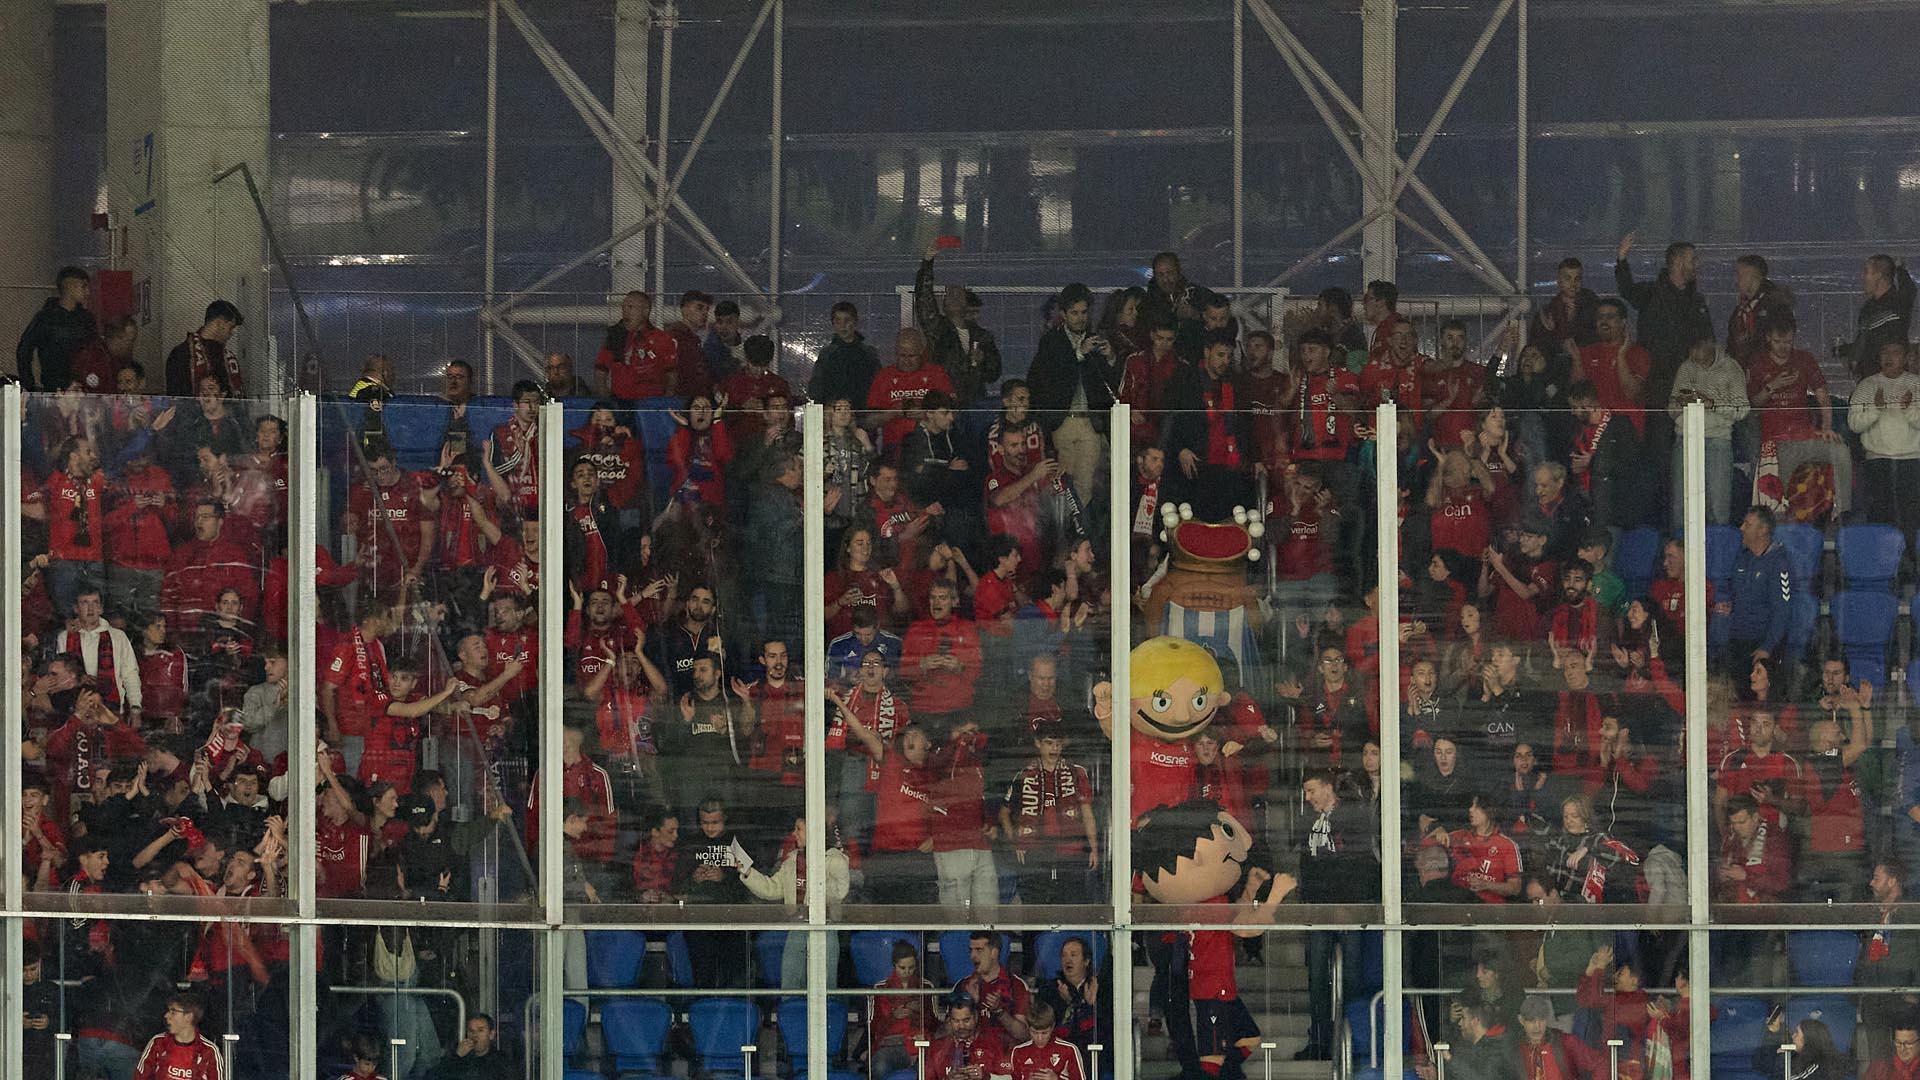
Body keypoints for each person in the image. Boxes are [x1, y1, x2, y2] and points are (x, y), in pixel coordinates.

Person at [1297, 768, 1379, 1061]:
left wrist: (1349, 904)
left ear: (1328, 788)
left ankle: (1354, 1045)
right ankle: (1319, 1041)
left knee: (1353, 978)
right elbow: (1306, 864)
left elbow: (1360, 864)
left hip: (1347, 909)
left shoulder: (1353, 816)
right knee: (1317, 977)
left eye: (1312, 790)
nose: (1308, 798)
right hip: (1318, 910)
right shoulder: (1309, 820)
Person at [1748, 311, 1851, 518]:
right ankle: (1778, 526)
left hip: (1805, 436)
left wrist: (1827, 428)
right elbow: (1752, 405)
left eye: (1788, 341)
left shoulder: (1804, 359)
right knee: (1778, 496)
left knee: (1840, 452)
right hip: (1776, 441)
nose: (1783, 346)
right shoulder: (1758, 363)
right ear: (1768, 338)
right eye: (1778, 341)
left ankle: (1842, 513)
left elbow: (1823, 397)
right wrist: (1772, 387)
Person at [1028, 283, 1122, 506]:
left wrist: (1110, 358)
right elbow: (1044, 381)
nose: (1080, 318)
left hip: (1090, 423)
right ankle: (1069, 533)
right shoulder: (1051, 341)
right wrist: (1079, 354)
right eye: (1074, 313)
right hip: (1063, 422)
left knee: (1087, 484)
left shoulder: (1095, 340)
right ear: (1063, 314)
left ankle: (1083, 534)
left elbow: (1109, 384)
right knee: (1063, 483)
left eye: (1084, 312)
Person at [1613, 233, 1714, 419]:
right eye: (1692, 259)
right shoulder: (1651, 293)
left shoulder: (1697, 301)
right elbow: (1627, 289)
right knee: (1659, 436)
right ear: (1677, 261)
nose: (1696, 265)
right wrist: (1621, 259)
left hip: (1690, 381)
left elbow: (1708, 338)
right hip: (1657, 382)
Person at [1667, 338, 1751, 527]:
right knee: (1680, 506)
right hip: (1685, 438)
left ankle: (1716, 551)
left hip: (1718, 440)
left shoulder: (1731, 368)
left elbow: (1742, 409)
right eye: (1691, 349)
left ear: (1710, 344)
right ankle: (1682, 552)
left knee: (1717, 506)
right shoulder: (1686, 368)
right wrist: (1682, 404)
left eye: (1698, 348)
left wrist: (1712, 404)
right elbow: (1670, 410)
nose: (1694, 354)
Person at [915, 242, 1003, 409]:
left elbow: (994, 374)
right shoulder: (937, 330)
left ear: (966, 305)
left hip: (975, 405)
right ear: (943, 304)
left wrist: (984, 359)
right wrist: (927, 262)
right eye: (949, 294)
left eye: (958, 294)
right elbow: (923, 298)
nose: (954, 296)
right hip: (943, 405)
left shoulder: (982, 337)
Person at [1850, 340, 1920, 533]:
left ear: (1906, 358)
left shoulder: (1916, 384)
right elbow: (1854, 424)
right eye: (1884, 352)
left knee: (1912, 516)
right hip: (1878, 461)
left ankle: (1912, 561)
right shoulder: (1867, 385)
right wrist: (1876, 409)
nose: (1889, 357)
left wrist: (1908, 409)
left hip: (1912, 461)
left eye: (1895, 352)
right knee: (1880, 516)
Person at [1717, 506, 1792, 677]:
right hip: (1737, 641)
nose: (1741, 528)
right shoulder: (1742, 559)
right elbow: (1734, 594)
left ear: (1763, 530)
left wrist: (1767, 647)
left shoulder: (1779, 564)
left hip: (1761, 645)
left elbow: (1783, 610)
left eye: (1748, 524)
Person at [1858, 862, 1920, 1065]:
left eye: (1877, 878)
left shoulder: (1913, 911)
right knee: (1879, 1063)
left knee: (1907, 1061)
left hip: (1903, 997)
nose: (1871, 883)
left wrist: (1914, 991)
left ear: (1892, 881)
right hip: (1874, 999)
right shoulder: (1872, 913)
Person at [15, 265, 94, 392]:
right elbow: (24, 350)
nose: (88, 292)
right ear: (70, 287)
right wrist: (29, 384)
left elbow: (95, 351)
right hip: (53, 386)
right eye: (83, 286)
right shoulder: (45, 318)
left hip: (83, 386)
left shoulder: (86, 319)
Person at [1840, 253, 1917, 379]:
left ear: (1879, 275)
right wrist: (1845, 351)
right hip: (1868, 378)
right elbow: (1866, 340)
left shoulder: (1897, 303)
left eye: (1866, 272)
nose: (1862, 277)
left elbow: (1909, 290)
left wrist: (1900, 269)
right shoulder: (1867, 309)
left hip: (1892, 379)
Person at [596, 289, 679, 402]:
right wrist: (607, 403)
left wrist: (665, 403)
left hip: (652, 404)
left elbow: (671, 375)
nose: (625, 311)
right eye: (623, 307)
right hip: (621, 404)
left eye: (630, 307)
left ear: (645, 311)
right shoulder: (615, 336)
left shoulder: (662, 339)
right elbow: (600, 372)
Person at [165, 299, 245, 398]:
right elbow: (176, 398)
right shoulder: (181, 354)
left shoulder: (228, 358)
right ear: (219, 323)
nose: (232, 333)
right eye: (231, 327)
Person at [133, 993, 223, 1080]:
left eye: (173, 1012)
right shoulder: (158, 1043)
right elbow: (140, 1077)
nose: (166, 1015)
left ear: (188, 1017)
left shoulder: (209, 1051)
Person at [809, 300, 881, 409]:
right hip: (835, 415)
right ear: (833, 324)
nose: (843, 326)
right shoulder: (827, 354)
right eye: (838, 321)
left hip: (863, 412)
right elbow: (817, 387)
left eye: (847, 320)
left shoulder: (868, 353)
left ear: (855, 322)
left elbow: (878, 384)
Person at [1528, 257, 1599, 358]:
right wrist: (1555, 336)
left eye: (1577, 279)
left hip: (1588, 365)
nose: (1573, 284)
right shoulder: (1547, 313)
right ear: (1559, 280)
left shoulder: (1593, 307)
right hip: (1556, 369)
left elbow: (1601, 337)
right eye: (1568, 278)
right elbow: (1536, 347)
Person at [1756, 1015, 1846, 1080]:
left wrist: (1783, 1059)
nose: (1793, 1036)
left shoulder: (1820, 1066)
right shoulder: (1806, 1057)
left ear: (1807, 1040)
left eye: (1797, 1033)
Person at [431, 1014, 514, 1080]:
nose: (475, 1035)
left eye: (480, 1030)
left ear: (491, 1034)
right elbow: (434, 1076)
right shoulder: (458, 1057)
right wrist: (457, 1056)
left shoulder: (500, 1061)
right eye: (471, 1031)